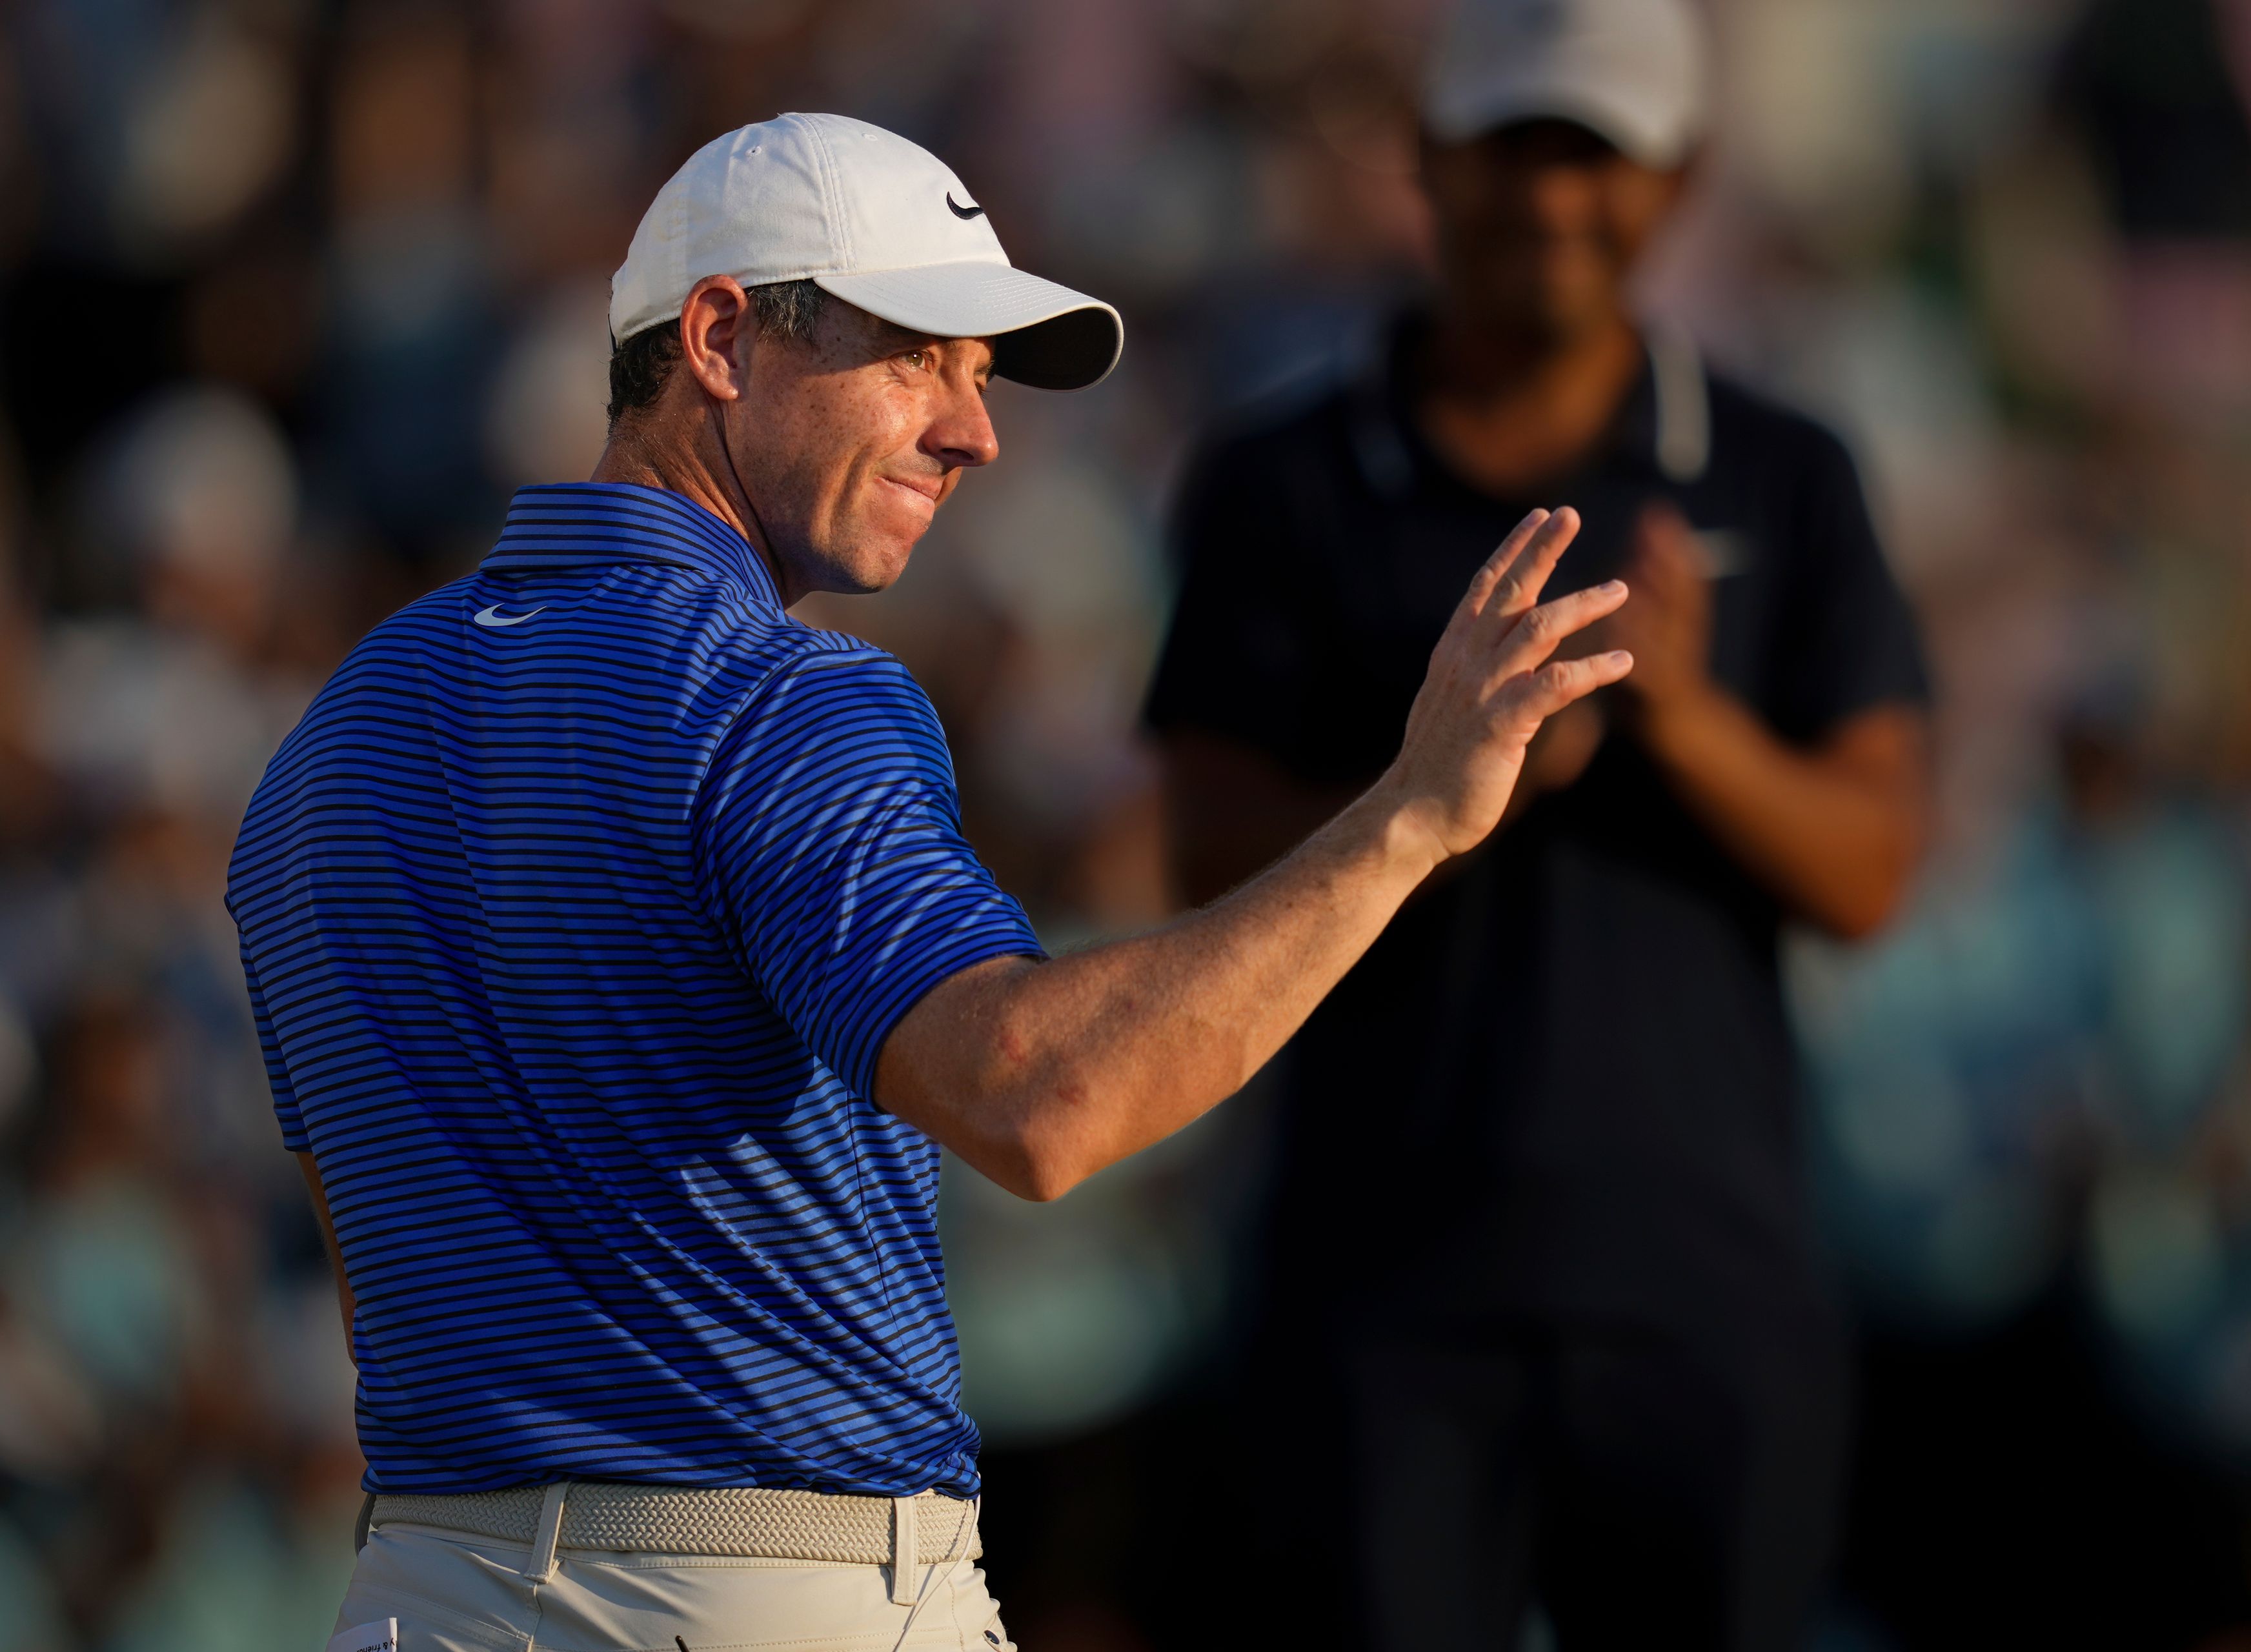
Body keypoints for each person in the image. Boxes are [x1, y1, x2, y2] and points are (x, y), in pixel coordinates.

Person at [228, 111, 1633, 1652]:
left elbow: (384, 1274)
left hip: (417, 1597)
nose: (977, 432)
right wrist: (1413, 817)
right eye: (919, 356)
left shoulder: (323, 751)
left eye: (979, 374)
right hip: (777, 1592)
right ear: (718, 339)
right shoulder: (777, 694)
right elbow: (1039, 1098)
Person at [1144, 1, 1932, 1647]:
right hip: (1378, 1290)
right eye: (1516, 149)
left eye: (1603, 158)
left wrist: (1681, 716)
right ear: (1430, 160)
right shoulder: (1284, 478)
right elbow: (1201, 860)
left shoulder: (1786, 475)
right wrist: (1457, 788)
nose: (1556, 199)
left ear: (1681, 179)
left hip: (1705, 1293)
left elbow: (1872, 868)